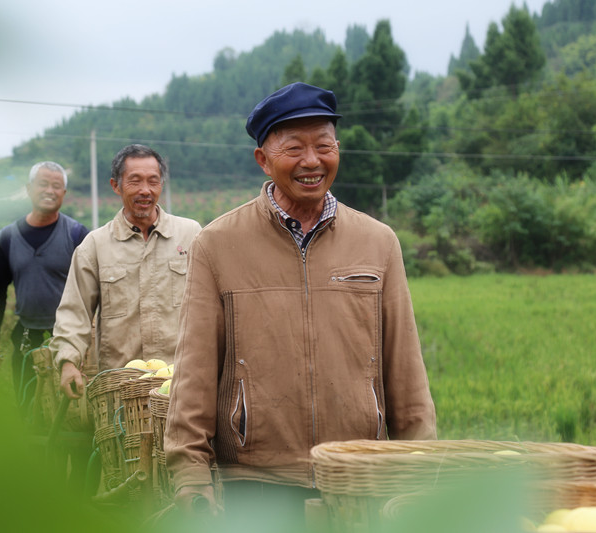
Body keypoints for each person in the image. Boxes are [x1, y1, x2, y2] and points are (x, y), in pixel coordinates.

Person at [164, 83, 437, 528]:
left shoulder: (378, 242)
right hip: (255, 484)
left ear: (338, 150)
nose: (312, 161)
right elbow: (193, 371)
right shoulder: (217, 245)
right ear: (263, 160)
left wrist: (421, 472)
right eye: (294, 148)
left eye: (323, 146)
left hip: (359, 479)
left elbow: (405, 370)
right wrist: (190, 476)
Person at [52, 144, 202, 399]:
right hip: (120, 388)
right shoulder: (95, 245)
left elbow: (212, 306)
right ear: (116, 186)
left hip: (181, 383)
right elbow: (74, 312)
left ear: (161, 185)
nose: (145, 190)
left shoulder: (191, 235)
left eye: (153, 181)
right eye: (135, 181)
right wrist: (67, 362)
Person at [0, 161, 89, 409]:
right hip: (26, 336)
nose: (50, 191)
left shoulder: (77, 235)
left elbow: (92, 291)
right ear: (29, 189)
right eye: (43, 184)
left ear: (64, 193)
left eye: (57, 186)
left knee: (71, 410)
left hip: (67, 338)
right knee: (27, 404)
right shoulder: (7, 238)